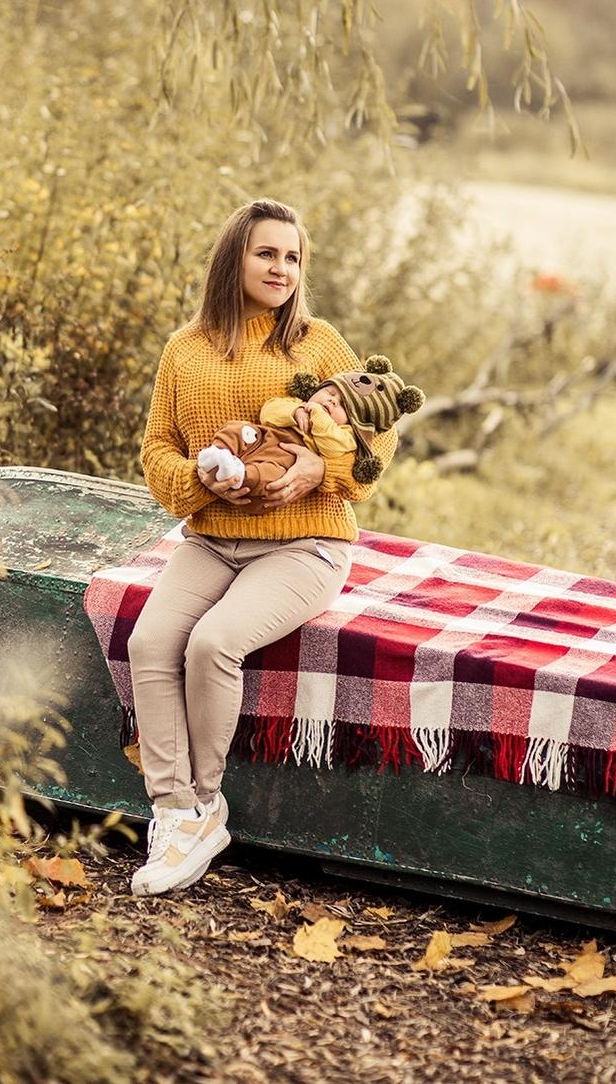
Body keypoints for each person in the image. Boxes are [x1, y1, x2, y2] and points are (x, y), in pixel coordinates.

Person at [127, 198, 406, 895]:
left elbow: (382, 432)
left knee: (212, 642)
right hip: (213, 539)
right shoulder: (184, 350)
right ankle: (177, 811)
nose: (281, 267)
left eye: (292, 256)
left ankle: (206, 799)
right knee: (149, 641)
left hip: (304, 544)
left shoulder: (317, 342)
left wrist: (321, 469)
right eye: (266, 253)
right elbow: (156, 446)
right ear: (235, 259)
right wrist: (198, 481)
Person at [195, 362, 424, 514]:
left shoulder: (346, 434)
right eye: (331, 393)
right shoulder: (298, 405)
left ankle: (239, 474)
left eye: (343, 406)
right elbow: (269, 412)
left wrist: (316, 414)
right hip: (260, 440)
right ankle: (218, 455)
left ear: (357, 423)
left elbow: (332, 445)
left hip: (283, 464)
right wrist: (294, 412)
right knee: (236, 429)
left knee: (271, 476)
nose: (333, 401)